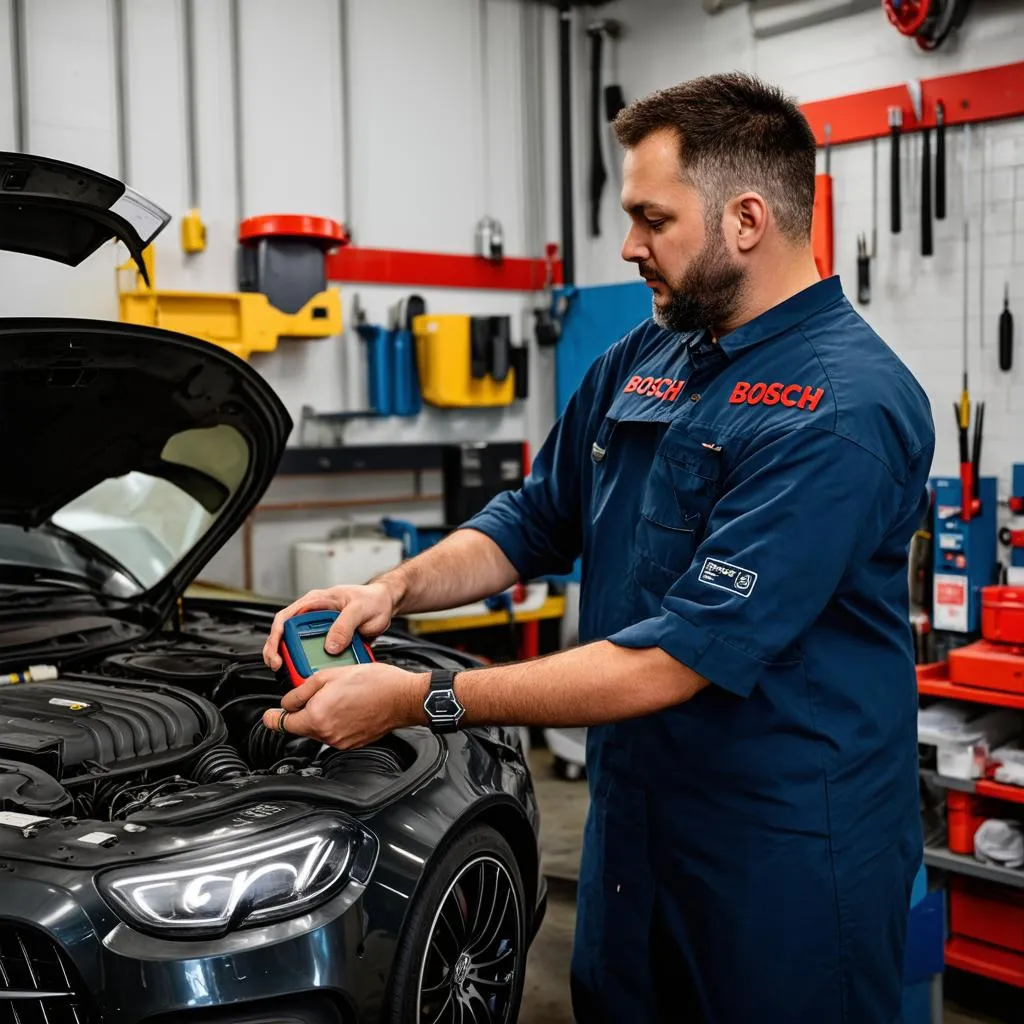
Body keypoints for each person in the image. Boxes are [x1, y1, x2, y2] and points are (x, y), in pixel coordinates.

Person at [262, 72, 935, 1023]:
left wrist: (419, 699)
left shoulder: (839, 408)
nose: (629, 247)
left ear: (747, 219)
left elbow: (671, 660)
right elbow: (533, 518)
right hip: (639, 821)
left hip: (782, 853)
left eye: (652, 219)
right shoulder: (648, 357)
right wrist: (392, 590)